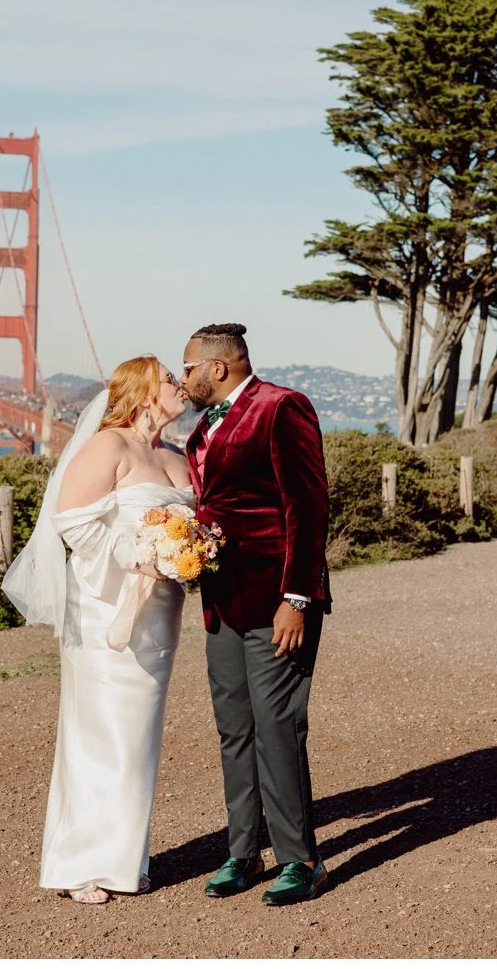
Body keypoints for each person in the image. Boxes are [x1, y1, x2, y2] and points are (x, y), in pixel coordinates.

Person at [2, 356, 193, 903]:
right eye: (170, 380)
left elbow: (192, 526)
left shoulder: (177, 456)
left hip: (161, 611)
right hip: (104, 605)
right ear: (143, 393)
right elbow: (73, 524)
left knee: (139, 738)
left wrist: (191, 551)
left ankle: (124, 858)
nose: (181, 386)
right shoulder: (109, 445)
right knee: (98, 732)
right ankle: (81, 864)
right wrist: (139, 553)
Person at [183, 322, 332, 905]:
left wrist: (296, 598)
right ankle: (242, 852)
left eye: (188, 365)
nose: (183, 376)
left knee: (278, 728)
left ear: (219, 367)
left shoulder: (282, 408)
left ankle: (300, 860)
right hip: (220, 602)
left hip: (277, 604)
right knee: (235, 729)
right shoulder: (202, 427)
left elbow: (308, 504)